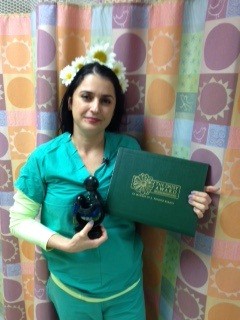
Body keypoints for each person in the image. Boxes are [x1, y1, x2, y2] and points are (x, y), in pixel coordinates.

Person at [9, 43, 218, 320]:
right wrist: (65, 243)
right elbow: (18, 220)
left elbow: (156, 199)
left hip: (126, 294)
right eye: (86, 96)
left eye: (106, 100)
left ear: (114, 107)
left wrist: (189, 199)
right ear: (71, 101)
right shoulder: (44, 159)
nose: (95, 107)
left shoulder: (129, 151)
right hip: (71, 294)